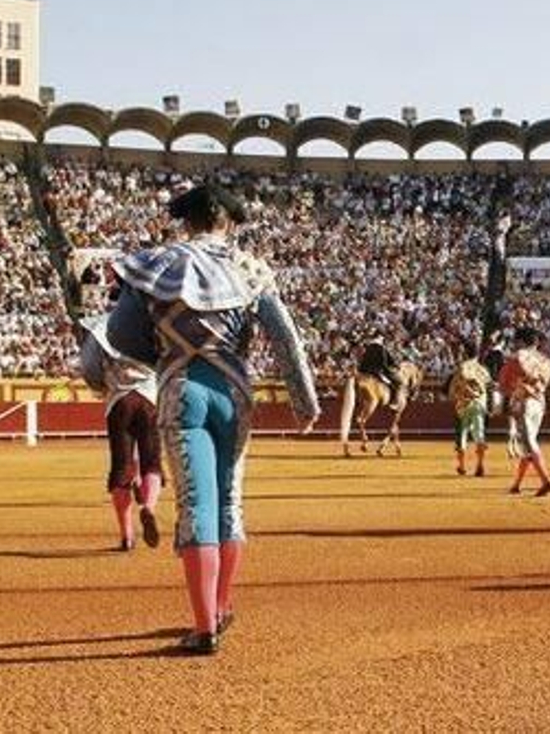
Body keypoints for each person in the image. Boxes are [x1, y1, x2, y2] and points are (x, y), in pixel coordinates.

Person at [107, 183, 321, 655]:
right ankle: (222, 607)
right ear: (228, 221)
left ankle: (203, 626)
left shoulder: (156, 263)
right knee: (230, 502)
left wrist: (167, 356)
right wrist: (305, 402)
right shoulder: (248, 267)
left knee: (197, 505)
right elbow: (286, 339)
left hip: (182, 390)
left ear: (188, 220)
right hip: (235, 392)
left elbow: (121, 334)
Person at [78, 312, 162, 552]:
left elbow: (90, 367)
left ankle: (126, 536)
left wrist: (102, 386)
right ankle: (149, 506)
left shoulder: (103, 326)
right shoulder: (152, 321)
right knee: (152, 462)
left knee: (120, 468)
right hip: (150, 399)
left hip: (119, 401)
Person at [499, 327, 550, 497]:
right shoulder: (546, 361)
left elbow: (503, 385)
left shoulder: (517, 357)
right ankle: (516, 485)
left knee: (529, 444)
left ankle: (546, 481)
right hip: (539, 405)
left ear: (520, 341)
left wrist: (507, 398)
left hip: (525, 403)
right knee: (529, 444)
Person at [448, 342, 493, 477]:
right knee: (479, 434)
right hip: (480, 404)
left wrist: (463, 394)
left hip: (464, 404)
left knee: (462, 434)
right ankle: (480, 464)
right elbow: (490, 386)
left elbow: (457, 385)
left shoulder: (462, 367)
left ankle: (462, 466)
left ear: (465, 352)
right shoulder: (482, 369)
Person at [357, 335, 404, 410]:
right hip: (378, 372)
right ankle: (394, 402)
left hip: (364, 372)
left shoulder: (367, 348)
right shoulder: (382, 349)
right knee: (399, 383)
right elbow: (385, 364)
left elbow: (362, 362)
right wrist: (394, 367)